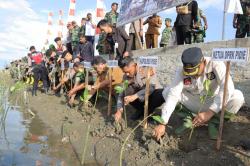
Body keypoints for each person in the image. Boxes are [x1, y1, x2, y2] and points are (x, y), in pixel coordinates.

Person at [153, 47, 245, 141]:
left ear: (203, 62)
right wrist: (162, 123)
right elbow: (173, 94)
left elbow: (227, 88)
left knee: (237, 97)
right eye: (189, 73)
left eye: (195, 72)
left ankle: (214, 122)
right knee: (167, 92)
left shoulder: (216, 64)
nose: (193, 75)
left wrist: (209, 113)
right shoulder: (181, 71)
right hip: (193, 101)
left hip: (213, 102)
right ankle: (188, 120)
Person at [114, 56, 165, 122]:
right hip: (140, 98)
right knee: (126, 92)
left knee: (159, 94)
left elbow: (151, 88)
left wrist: (135, 96)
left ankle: (149, 112)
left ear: (134, 65)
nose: (127, 74)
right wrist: (119, 110)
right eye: (124, 72)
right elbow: (121, 93)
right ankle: (140, 110)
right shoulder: (126, 76)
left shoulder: (146, 69)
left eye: (128, 71)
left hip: (153, 93)